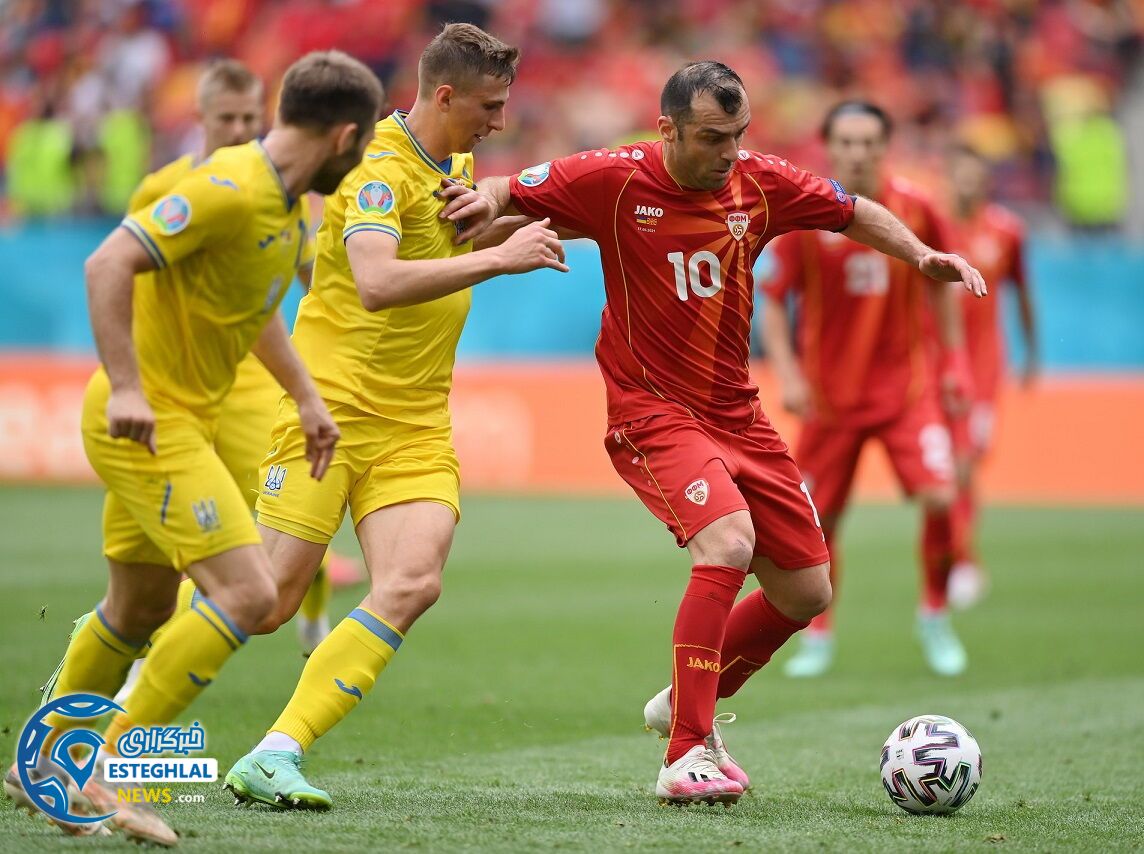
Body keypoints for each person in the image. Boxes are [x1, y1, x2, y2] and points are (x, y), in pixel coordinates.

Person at [440, 65, 985, 805]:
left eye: (737, 136)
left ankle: (682, 698)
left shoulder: (759, 182)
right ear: (667, 130)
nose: (729, 152)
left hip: (738, 413)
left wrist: (918, 255)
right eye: (710, 138)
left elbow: (852, 209)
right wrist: (484, 198)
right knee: (726, 543)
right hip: (651, 409)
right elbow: (513, 188)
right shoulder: (616, 176)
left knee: (805, 590)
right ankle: (685, 749)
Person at [5, 51, 384, 846]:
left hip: (179, 420)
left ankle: (40, 762)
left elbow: (254, 309)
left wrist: (308, 399)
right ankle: (100, 769)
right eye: (360, 147)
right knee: (247, 594)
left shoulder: (282, 207)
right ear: (345, 135)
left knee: (139, 606)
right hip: (150, 421)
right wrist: (132, 387)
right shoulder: (228, 189)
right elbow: (108, 260)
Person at [221, 23, 567, 811]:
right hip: (332, 412)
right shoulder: (375, 169)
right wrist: (496, 258)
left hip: (414, 422)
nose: (499, 121)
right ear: (444, 95)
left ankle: (277, 751)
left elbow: (457, 241)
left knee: (412, 581)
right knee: (267, 604)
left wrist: (525, 225)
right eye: (489, 105)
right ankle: (117, 646)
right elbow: (376, 280)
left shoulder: (458, 164)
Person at [759, 101, 974, 680]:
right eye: (847, 142)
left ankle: (934, 613)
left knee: (939, 497)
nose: (858, 152)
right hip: (831, 400)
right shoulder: (806, 216)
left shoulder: (918, 208)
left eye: (869, 141)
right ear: (831, 147)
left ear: (886, 145)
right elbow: (774, 299)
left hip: (907, 390)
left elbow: (942, 287)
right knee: (818, 521)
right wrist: (791, 373)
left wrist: (954, 362)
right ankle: (819, 632)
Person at [944, 142, 1037, 608]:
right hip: (938, 366)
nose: (966, 184)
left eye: (974, 176)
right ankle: (952, 559)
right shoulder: (932, 228)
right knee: (946, 471)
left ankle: (963, 560)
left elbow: (1022, 291)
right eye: (959, 175)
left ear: (985, 181)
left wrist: (1032, 352)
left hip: (982, 371)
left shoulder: (1006, 230)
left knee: (964, 465)